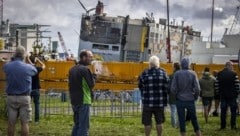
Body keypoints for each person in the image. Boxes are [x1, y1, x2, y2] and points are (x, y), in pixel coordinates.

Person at [3, 46, 37, 136]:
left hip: (11, 97)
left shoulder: (8, 66)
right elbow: (35, 71)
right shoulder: (28, 67)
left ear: (15, 54)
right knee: (24, 123)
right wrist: (27, 59)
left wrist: (11, 59)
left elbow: (5, 67)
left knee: (11, 123)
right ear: (24, 55)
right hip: (24, 97)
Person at [138, 55, 169, 136]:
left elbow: (140, 85)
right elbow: (167, 86)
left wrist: (144, 93)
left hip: (147, 102)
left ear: (150, 64)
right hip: (160, 103)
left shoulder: (144, 73)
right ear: (158, 63)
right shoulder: (163, 73)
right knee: (159, 122)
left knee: (147, 123)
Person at [171, 57, 201, 136]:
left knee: (181, 119)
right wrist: (195, 97)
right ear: (189, 64)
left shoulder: (177, 74)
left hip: (180, 99)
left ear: (181, 64)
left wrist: (176, 95)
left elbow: (173, 89)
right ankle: (198, 133)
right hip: (190, 99)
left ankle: (183, 134)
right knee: (194, 119)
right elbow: (197, 89)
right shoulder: (193, 73)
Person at [68, 50, 95, 136]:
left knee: (77, 125)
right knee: (84, 127)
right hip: (84, 100)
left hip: (74, 100)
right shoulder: (85, 69)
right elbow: (91, 84)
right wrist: (94, 76)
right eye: (90, 56)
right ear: (84, 57)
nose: (91, 58)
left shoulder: (72, 69)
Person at [214, 61, 240, 130]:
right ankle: (233, 126)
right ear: (229, 66)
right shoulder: (234, 74)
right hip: (232, 96)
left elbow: (216, 85)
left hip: (223, 96)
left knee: (223, 111)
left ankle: (223, 126)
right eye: (232, 66)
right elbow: (237, 85)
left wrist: (219, 93)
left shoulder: (219, 74)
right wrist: (237, 93)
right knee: (233, 111)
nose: (232, 67)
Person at [29, 56, 46, 123]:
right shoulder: (37, 68)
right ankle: (37, 120)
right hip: (36, 88)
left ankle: (29, 118)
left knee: (28, 104)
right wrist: (39, 60)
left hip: (28, 88)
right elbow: (44, 66)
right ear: (35, 62)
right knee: (37, 104)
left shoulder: (27, 68)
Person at [168, 62, 180, 128]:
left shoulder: (171, 76)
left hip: (172, 95)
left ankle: (173, 125)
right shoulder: (182, 75)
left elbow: (169, 86)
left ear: (174, 67)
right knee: (180, 111)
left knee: (173, 111)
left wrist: (168, 92)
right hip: (181, 95)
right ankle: (179, 124)